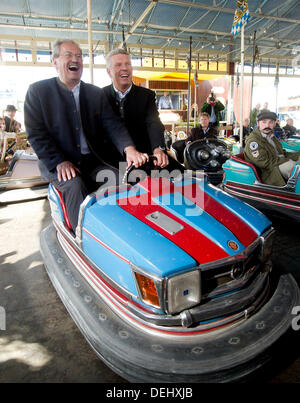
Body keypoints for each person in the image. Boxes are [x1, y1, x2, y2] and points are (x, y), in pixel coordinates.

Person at [24, 39, 148, 232]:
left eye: (79, 56)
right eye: (69, 55)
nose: (76, 59)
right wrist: (59, 162)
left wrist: (129, 149)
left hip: (91, 161)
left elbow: (113, 125)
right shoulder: (38, 91)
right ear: (54, 61)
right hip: (58, 163)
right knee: (74, 186)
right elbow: (36, 133)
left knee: (117, 179)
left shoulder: (95, 94)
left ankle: (118, 231)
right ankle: (79, 238)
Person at [103, 48, 170, 169]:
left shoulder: (147, 95)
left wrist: (158, 148)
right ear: (108, 72)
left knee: (182, 178)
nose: (124, 68)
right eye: (118, 65)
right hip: (111, 162)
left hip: (144, 159)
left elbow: (153, 123)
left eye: (128, 64)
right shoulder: (101, 96)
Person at [244, 110, 300, 187]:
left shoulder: (271, 137)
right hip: (269, 172)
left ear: (274, 124)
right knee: (296, 169)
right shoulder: (253, 141)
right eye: (264, 122)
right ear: (258, 124)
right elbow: (264, 162)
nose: (267, 125)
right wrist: (288, 160)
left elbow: (282, 154)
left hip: (278, 164)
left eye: (271, 122)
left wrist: (297, 155)